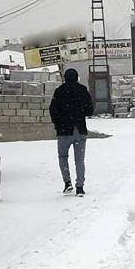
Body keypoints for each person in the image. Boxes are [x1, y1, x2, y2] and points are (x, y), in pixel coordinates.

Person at [50, 68, 94, 196]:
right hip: (79, 130)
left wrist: (58, 123)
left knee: (63, 157)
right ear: (77, 77)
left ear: (65, 78)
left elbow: (52, 110)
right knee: (79, 160)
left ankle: (67, 182)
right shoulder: (83, 90)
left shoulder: (59, 91)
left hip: (64, 131)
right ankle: (80, 187)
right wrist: (79, 112)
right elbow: (90, 110)